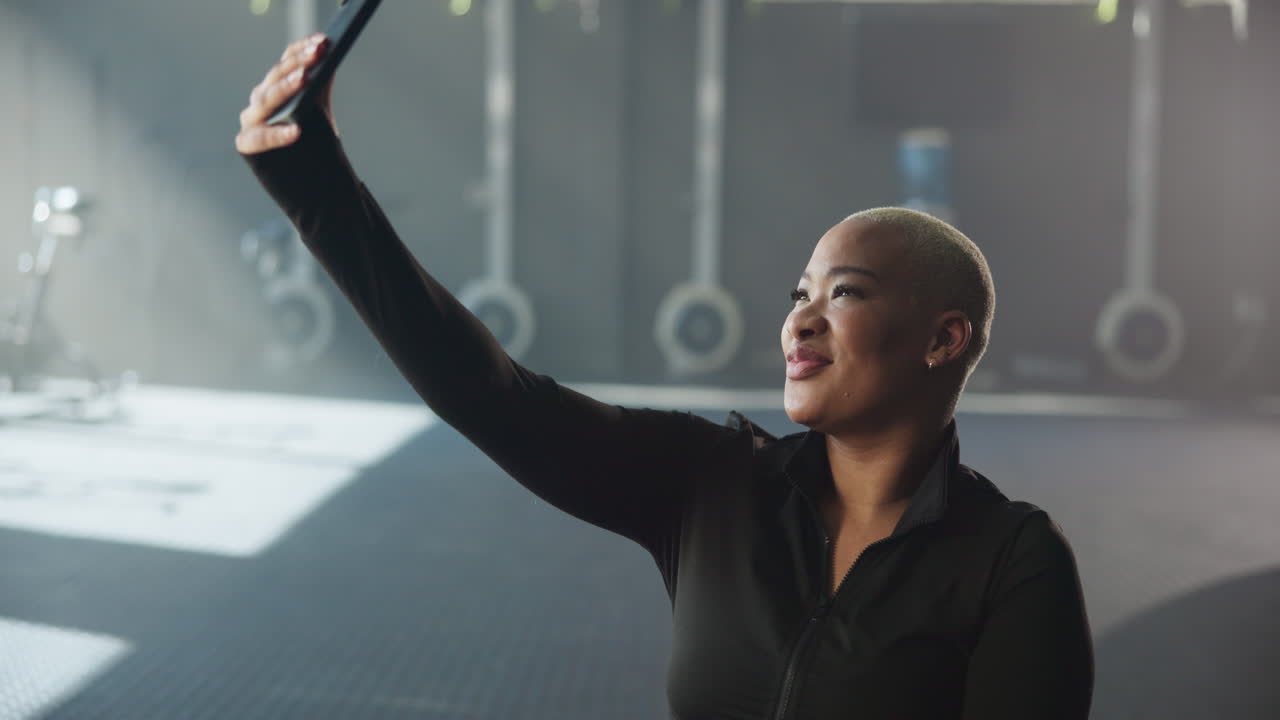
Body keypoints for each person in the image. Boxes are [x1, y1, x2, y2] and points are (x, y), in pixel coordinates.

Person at [237, 33, 1093, 720]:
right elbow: (489, 395)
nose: (801, 318)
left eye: (846, 294)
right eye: (799, 295)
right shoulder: (713, 484)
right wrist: (318, 188)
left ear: (944, 340)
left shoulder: (1011, 561)